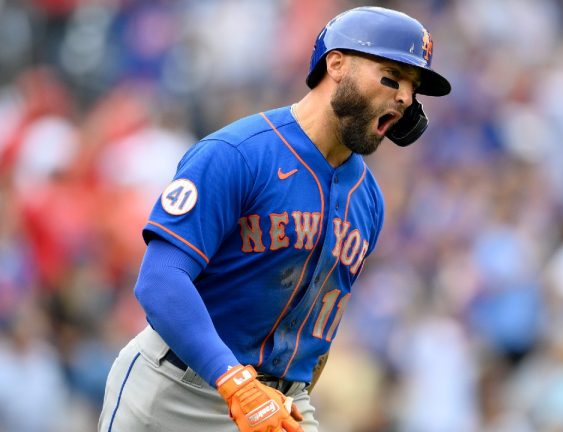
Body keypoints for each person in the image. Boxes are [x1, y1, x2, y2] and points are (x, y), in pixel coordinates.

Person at [98, 6, 451, 432]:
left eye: (413, 89)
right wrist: (235, 383)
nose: (405, 98)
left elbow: (318, 325)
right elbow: (160, 279)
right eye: (391, 76)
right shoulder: (239, 153)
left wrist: (288, 390)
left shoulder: (369, 201)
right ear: (336, 64)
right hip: (178, 391)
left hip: (279, 402)